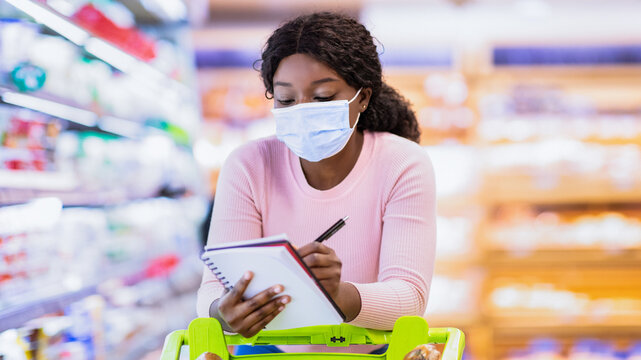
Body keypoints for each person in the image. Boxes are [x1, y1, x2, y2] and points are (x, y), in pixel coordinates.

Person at [196, 11, 436, 354]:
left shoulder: (402, 163)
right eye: (286, 100)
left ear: (363, 98)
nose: (303, 111)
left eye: (323, 97)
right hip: (269, 350)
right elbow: (211, 290)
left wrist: (340, 296)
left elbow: (410, 297)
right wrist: (223, 312)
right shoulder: (248, 165)